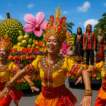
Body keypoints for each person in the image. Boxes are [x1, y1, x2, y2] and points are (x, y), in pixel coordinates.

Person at [0, 6, 92, 106]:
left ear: (59, 46)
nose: (51, 43)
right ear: (45, 43)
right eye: (49, 41)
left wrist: (88, 94)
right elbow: (23, 72)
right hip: (43, 99)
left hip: (60, 99)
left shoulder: (65, 61)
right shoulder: (40, 61)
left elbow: (84, 71)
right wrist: (9, 85)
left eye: (54, 41)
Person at [0, 33, 39, 106]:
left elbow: (21, 73)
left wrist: (30, 84)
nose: (1, 53)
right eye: (0, 51)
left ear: (7, 54)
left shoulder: (10, 65)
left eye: (3, 51)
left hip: (6, 90)